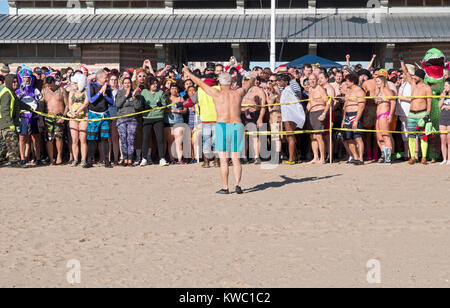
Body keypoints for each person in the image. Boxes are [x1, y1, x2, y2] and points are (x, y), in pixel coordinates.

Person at [183, 65, 256, 195]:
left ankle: (225, 187)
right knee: (236, 158)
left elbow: (199, 82)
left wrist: (188, 72)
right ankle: (238, 185)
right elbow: (248, 84)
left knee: (223, 159)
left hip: (222, 126)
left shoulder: (216, 93)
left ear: (220, 83)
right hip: (237, 125)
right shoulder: (238, 93)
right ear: (232, 82)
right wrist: (253, 76)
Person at [400, 57, 433, 165]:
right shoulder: (413, 84)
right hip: (411, 114)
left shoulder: (427, 88)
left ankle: (423, 157)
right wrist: (402, 61)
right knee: (411, 136)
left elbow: (429, 102)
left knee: (423, 136)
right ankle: (413, 157)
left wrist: (427, 115)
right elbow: (405, 71)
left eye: (416, 76)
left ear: (420, 77)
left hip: (422, 113)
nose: (413, 78)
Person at [0, 74, 33, 167]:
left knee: (3, 144)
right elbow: (4, 110)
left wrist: (30, 108)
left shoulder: (11, 92)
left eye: (16, 82)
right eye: (13, 82)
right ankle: (14, 162)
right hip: (6, 123)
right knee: (12, 142)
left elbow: (19, 103)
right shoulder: (6, 93)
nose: (15, 84)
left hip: (7, 123)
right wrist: (9, 123)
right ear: (9, 82)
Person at [85, 70, 114, 168]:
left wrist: (105, 95)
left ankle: (107, 161)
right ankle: (89, 161)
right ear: (100, 78)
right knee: (92, 139)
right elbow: (91, 100)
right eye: (106, 77)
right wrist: (101, 92)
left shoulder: (108, 87)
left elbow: (111, 102)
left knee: (105, 139)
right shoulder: (92, 86)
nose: (107, 79)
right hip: (94, 115)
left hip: (105, 115)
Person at [40, 76, 69, 165]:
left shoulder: (61, 90)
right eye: (48, 85)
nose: (50, 87)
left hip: (59, 116)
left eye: (51, 85)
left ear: (54, 82)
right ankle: (51, 159)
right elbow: (41, 105)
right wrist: (41, 118)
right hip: (48, 117)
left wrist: (63, 117)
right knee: (49, 139)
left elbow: (67, 105)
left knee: (58, 137)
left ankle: (59, 156)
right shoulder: (44, 91)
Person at [16, 67, 42, 166]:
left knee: (36, 138)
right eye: (24, 78)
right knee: (22, 138)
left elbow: (39, 104)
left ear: (31, 78)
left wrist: (40, 118)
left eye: (28, 77)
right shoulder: (18, 91)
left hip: (34, 116)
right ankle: (22, 158)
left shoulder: (35, 91)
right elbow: (16, 104)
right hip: (22, 116)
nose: (26, 80)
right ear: (21, 78)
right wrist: (21, 92)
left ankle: (38, 158)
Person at [140, 77, 168, 167]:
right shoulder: (144, 92)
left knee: (159, 139)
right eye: (153, 84)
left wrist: (162, 105)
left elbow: (164, 105)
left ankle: (162, 158)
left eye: (156, 83)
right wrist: (144, 106)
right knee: (145, 139)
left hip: (158, 117)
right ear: (149, 84)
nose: (155, 85)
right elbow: (140, 103)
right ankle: (144, 158)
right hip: (147, 117)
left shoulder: (160, 92)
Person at [116, 77, 142, 167]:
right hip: (121, 118)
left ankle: (130, 159)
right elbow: (118, 104)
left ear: (131, 84)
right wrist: (126, 95)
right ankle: (125, 158)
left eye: (128, 83)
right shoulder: (119, 92)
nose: (127, 84)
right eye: (125, 83)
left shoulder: (135, 92)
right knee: (123, 139)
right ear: (122, 84)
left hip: (132, 119)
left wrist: (134, 97)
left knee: (130, 139)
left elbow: (138, 107)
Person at [279, 74, 305, 164]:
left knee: (290, 137)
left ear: (286, 82)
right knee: (290, 137)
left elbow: (296, 103)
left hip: (289, 117)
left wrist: (294, 115)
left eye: (281, 81)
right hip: (287, 116)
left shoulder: (288, 90)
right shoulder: (286, 90)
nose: (279, 82)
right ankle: (294, 157)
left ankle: (291, 159)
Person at [342, 73, 366, 165]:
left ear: (352, 81)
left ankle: (360, 158)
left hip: (356, 114)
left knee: (358, 137)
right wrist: (343, 119)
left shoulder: (359, 91)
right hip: (347, 115)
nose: (346, 83)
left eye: (347, 81)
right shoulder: (348, 91)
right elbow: (345, 105)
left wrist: (356, 120)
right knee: (348, 138)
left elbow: (361, 106)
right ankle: (355, 156)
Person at [241, 74, 266, 164]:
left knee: (255, 136)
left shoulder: (258, 90)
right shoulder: (241, 90)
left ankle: (256, 156)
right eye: (244, 79)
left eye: (247, 79)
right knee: (244, 137)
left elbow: (263, 106)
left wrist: (260, 118)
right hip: (242, 114)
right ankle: (244, 157)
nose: (245, 81)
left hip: (253, 114)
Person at [306, 73, 330, 164]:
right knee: (312, 136)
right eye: (310, 79)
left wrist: (324, 113)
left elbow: (327, 102)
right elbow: (309, 103)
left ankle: (322, 158)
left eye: (313, 79)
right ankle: (315, 157)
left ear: (317, 80)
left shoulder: (320, 88)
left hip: (319, 111)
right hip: (311, 113)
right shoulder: (310, 89)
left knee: (319, 136)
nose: (311, 81)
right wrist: (304, 113)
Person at [67, 73, 89, 167]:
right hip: (73, 117)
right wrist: (72, 113)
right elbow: (69, 104)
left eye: (76, 83)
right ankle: (75, 159)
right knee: (74, 140)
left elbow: (86, 103)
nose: (74, 84)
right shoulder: (72, 91)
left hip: (83, 117)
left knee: (83, 139)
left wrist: (78, 111)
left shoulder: (86, 91)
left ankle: (83, 159)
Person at [375, 75, 396, 164]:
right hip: (379, 115)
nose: (377, 83)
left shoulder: (386, 90)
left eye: (379, 81)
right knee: (379, 137)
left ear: (383, 82)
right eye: (376, 81)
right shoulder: (379, 91)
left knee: (386, 136)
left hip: (384, 114)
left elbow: (393, 101)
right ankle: (384, 154)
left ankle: (388, 157)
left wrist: (390, 115)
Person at [164, 83, 187, 165]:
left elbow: (185, 110)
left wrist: (179, 111)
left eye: (176, 88)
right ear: (170, 90)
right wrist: (170, 110)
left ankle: (180, 159)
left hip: (179, 121)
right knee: (170, 141)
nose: (174, 90)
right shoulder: (166, 99)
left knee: (178, 141)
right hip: (168, 122)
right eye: (172, 88)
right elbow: (163, 110)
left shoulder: (181, 99)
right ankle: (172, 159)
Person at [396, 66, 414, 160]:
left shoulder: (411, 84)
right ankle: (406, 153)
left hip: (409, 111)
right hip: (402, 112)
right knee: (404, 133)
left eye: (402, 73)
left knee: (410, 133)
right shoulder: (403, 84)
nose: (401, 75)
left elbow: (413, 98)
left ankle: (413, 154)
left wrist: (402, 97)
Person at [108, 73, 121, 165]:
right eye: (112, 79)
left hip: (116, 116)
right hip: (107, 116)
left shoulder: (120, 91)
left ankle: (116, 158)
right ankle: (108, 159)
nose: (114, 81)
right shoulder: (106, 90)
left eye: (115, 79)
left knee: (115, 138)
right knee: (108, 139)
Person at [438, 79, 450, 165]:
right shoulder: (443, 94)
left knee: (449, 140)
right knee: (443, 139)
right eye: (444, 85)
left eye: (446, 85)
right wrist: (443, 95)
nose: (444, 87)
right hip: (442, 118)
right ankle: (444, 159)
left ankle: (449, 159)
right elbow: (439, 105)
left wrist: (448, 107)